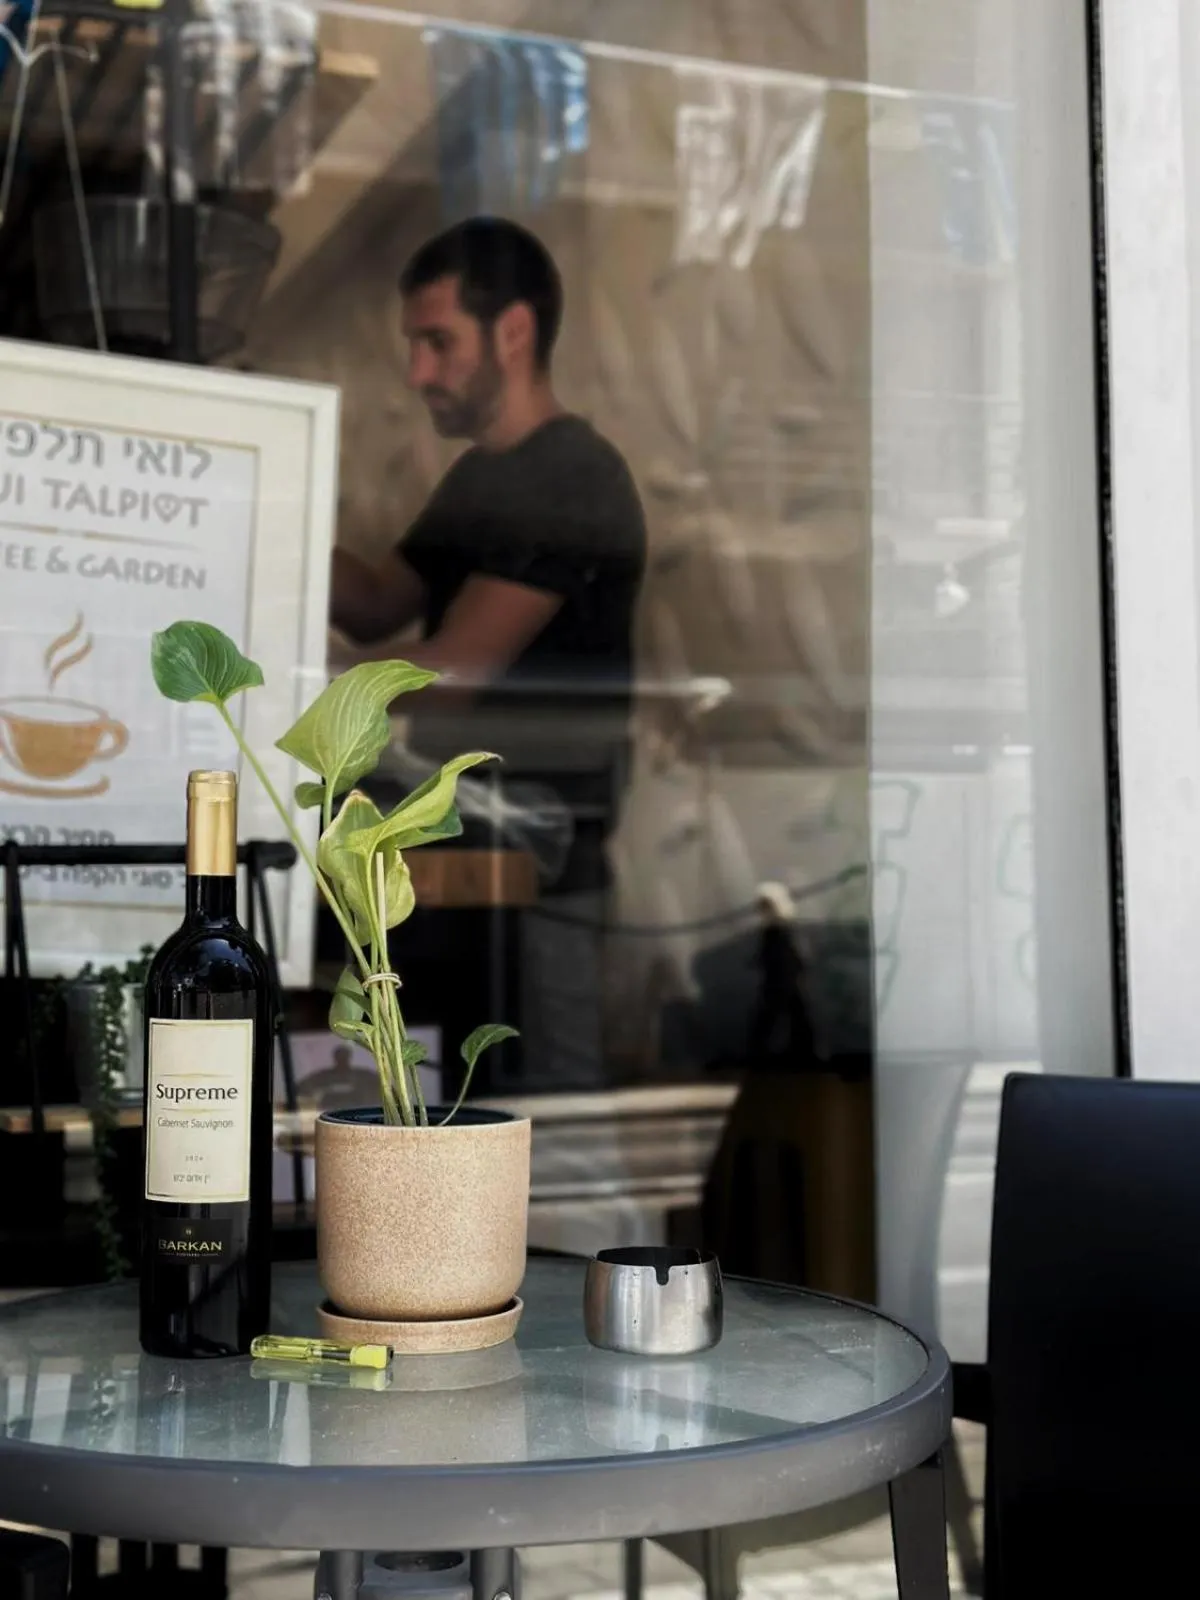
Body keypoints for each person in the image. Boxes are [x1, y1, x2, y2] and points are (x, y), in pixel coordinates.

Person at [330, 216, 648, 1085]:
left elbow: (451, 677)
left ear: (514, 331)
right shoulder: (483, 479)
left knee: (549, 1124)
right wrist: (267, 494)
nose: (417, 371)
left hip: (541, 868)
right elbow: (373, 606)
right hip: (463, 854)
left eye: (438, 342)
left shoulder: (572, 475)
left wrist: (318, 707)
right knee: (462, 1120)